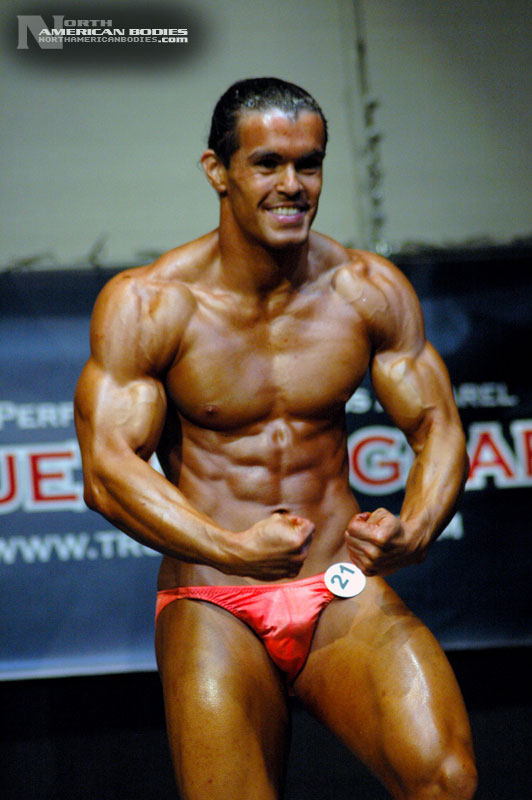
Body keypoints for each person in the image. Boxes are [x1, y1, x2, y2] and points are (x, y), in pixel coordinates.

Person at [75, 77, 477, 799]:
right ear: (217, 170)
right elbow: (107, 473)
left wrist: (416, 529)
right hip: (214, 598)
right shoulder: (152, 304)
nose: (292, 185)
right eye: (267, 164)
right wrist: (231, 548)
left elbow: (438, 425)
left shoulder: (366, 289)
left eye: (308, 164)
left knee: (446, 780)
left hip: (338, 588)